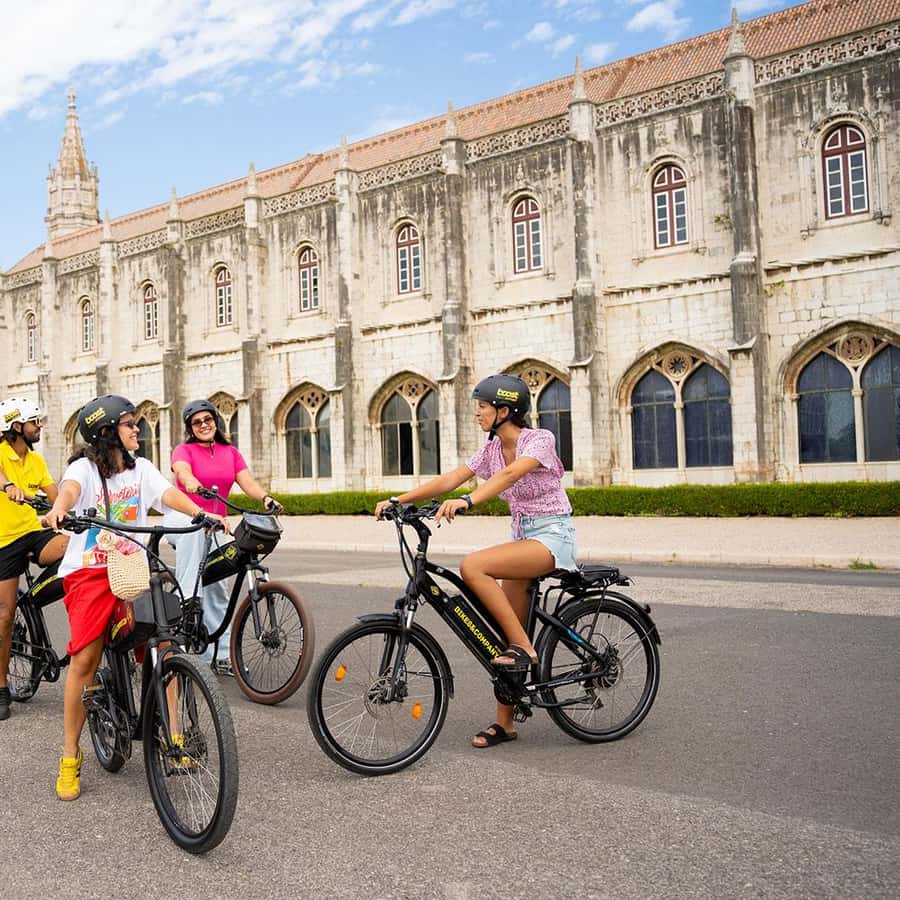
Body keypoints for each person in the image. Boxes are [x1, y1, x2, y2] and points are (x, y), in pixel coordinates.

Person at [375, 374, 577, 750]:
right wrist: (398, 500)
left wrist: (469, 501)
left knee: (473, 566)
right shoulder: (491, 450)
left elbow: (511, 474)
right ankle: (505, 723)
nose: (477, 414)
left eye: (482, 407)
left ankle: (526, 647)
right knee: (502, 636)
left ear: (505, 410)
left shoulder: (539, 440)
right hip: (523, 539)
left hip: (553, 538)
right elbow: (452, 478)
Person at [45, 395, 225, 801]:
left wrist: (199, 513)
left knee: (165, 641)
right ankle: (70, 754)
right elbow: (70, 490)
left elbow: (166, 494)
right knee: (86, 657)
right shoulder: (84, 469)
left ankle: (174, 739)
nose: (137, 430)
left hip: (132, 569)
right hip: (89, 572)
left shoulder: (141, 468)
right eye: (129, 424)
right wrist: (60, 509)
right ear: (107, 432)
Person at [165, 399, 281, 676]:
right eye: (197, 422)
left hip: (217, 525)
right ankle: (188, 600)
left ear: (216, 421)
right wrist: (192, 484)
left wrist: (265, 498)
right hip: (184, 517)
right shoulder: (184, 450)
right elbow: (182, 471)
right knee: (196, 535)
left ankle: (220, 656)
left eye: (208, 419)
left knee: (218, 590)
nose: (204, 425)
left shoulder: (231, 452)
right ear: (190, 428)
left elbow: (247, 481)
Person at [0, 398, 68, 722]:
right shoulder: (2, 453)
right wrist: (8, 485)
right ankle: (1, 686)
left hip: (33, 531)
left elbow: (56, 495)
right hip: (4, 542)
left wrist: (69, 506)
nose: (39, 426)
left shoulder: (36, 460)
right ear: (16, 426)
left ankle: (33, 599)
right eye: (34, 422)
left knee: (74, 549)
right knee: (4, 616)